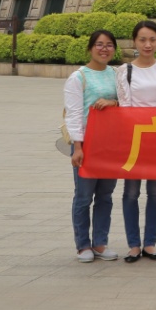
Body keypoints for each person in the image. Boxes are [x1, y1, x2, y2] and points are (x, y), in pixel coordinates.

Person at [116, 20, 156, 263]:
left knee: (155, 192)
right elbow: (125, 106)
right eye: (142, 39)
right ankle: (133, 244)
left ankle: (150, 243)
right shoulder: (125, 71)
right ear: (135, 41)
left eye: (152, 39)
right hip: (133, 139)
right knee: (131, 192)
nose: (148, 44)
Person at [65, 29, 120, 263]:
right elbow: (74, 114)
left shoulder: (117, 74)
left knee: (105, 196)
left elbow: (127, 103)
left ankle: (100, 242)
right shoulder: (78, 77)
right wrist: (78, 147)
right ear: (90, 48)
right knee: (84, 196)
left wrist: (113, 102)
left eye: (109, 45)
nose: (104, 49)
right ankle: (82, 245)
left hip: (110, 144)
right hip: (87, 144)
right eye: (99, 44)